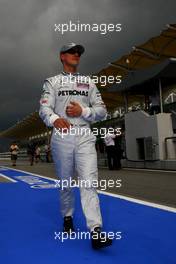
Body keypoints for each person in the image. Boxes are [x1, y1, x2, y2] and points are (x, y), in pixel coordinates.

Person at [39, 42, 112, 249]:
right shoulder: (52, 82)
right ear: (62, 56)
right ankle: (68, 216)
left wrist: (84, 111)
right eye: (72, 52)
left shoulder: (88, 82)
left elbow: (102, 111)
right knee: (66, 182)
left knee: (89, 181)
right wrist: (54, 119)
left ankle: (96, 231)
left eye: (78, 52)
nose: (76, 54)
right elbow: (44, 109)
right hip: (62, 136)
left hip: (84, 135)